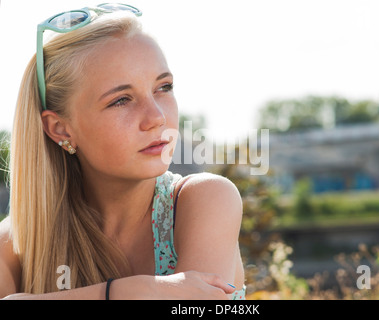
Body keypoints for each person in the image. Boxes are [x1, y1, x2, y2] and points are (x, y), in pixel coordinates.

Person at [0, 3, 245, 299]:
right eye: (121, 100)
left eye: (163, 87)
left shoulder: (205, 200)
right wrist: (130, 290)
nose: (156, 117)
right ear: (60, 129)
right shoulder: (15, 246)